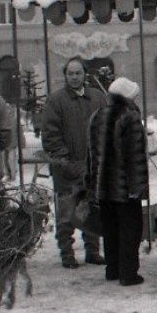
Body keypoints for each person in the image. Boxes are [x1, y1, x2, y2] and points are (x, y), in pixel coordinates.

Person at [41, 57, 105, 268]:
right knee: (66, 212)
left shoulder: (97, 97)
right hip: (66, 168)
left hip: (93, 167)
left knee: (92, 210)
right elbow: (50, 134)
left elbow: (104, 127)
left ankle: (92, 250)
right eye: (70, 73)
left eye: (78, 73)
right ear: (65, 76)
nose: (74, 77)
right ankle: (67, 252)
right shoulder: (56, 100)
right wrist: (65, 160)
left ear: (85, 74)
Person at [85, 78, 149, 286]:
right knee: (130, 228)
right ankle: (128, 273)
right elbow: (134, 156)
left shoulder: (97, 116)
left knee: (110, 228)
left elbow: (91, 154)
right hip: (124, 187)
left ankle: (112, 268)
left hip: (103, 185)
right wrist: (136, 187)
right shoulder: (130, 118)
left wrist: (92, 183)